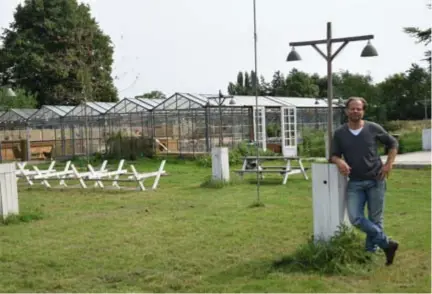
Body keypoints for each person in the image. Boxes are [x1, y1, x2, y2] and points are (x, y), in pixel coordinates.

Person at [330, 97, 399, 266]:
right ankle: (387, 244)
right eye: (352, 109)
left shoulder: (373, 128)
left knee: (375, 220)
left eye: (358, 109)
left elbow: (393, 143)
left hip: (377, 180)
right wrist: (340, 162)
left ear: (363, 111)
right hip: (355, 182)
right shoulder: (339, 133)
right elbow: (333, 155)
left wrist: (389, 164)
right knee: (355, 218)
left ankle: (369, 254)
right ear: (346, 111)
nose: (355, 111)